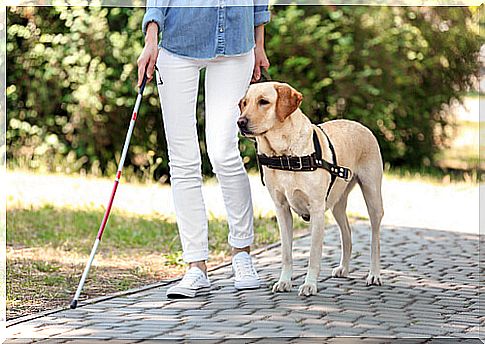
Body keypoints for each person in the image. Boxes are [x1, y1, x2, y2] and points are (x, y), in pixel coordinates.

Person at [137, 0, 270, 298]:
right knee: (183, 159)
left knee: (224, 151)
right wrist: (151, 38)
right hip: (178, 44)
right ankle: (196, 266)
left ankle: (242, 254)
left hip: (237, 43)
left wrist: (259, 43)